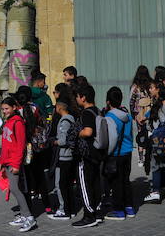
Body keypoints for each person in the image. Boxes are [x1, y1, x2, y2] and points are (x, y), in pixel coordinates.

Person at [0, 96, 36, 232]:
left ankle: (29, 217)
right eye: (3, 109)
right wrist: (1, 162)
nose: (4, 111)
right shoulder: (9, 121)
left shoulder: (18, 123)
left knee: (15, 189)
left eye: (7, 108)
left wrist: (16, 164)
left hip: (14, 162)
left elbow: (20, 145)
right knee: (16, 188)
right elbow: (5, 143)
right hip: (7, 161)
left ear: (14, 108)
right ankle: (23, 214)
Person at [72, 84, 102, 228]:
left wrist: (78, 133)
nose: (76, 99)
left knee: (84, 184)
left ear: (83, 98)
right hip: (97, 153)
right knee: (95, 182)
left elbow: (88, 132)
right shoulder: (97, 111)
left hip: (86, 154)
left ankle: (89, 216)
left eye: (77, 96)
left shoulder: (86, 113)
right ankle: (96, 211)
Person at [103, 87, 135, 220]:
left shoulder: (109, 116)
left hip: (116, 154)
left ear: (108, 101)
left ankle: (119, 210)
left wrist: (107, 153)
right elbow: (131, 134)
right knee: (125, 181)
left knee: (116, 183)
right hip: (127, 152)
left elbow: (112, 138)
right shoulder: (127, 116)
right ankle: (130, 208)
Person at [50, 98, 75, 220]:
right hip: (68, 156)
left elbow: (63, 140)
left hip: (65, 156)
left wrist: (55, 142)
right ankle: (71, 209)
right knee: (67, 184)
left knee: (60, 184)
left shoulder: (64, 121)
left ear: (59, 108)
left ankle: (64, 210)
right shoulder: (71, 119)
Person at [129, 66, 152, 169]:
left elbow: (131, 101)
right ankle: (149, 156)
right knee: (150, 133)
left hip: (139, 113)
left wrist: (133, 114)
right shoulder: (150, 85)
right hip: (150, 112)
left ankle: (141, 158)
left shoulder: (135, 87)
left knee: (140, 134)